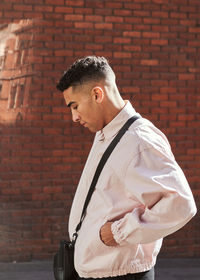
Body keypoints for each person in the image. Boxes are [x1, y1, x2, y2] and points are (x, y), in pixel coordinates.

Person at [56, 56, 197, 280]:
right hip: (101, 271)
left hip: (121, 275)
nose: (74, 117)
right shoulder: (107, 132)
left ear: (97, 94)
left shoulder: (138, 141)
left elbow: (180, 204)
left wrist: (118, 232)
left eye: (75, 106)